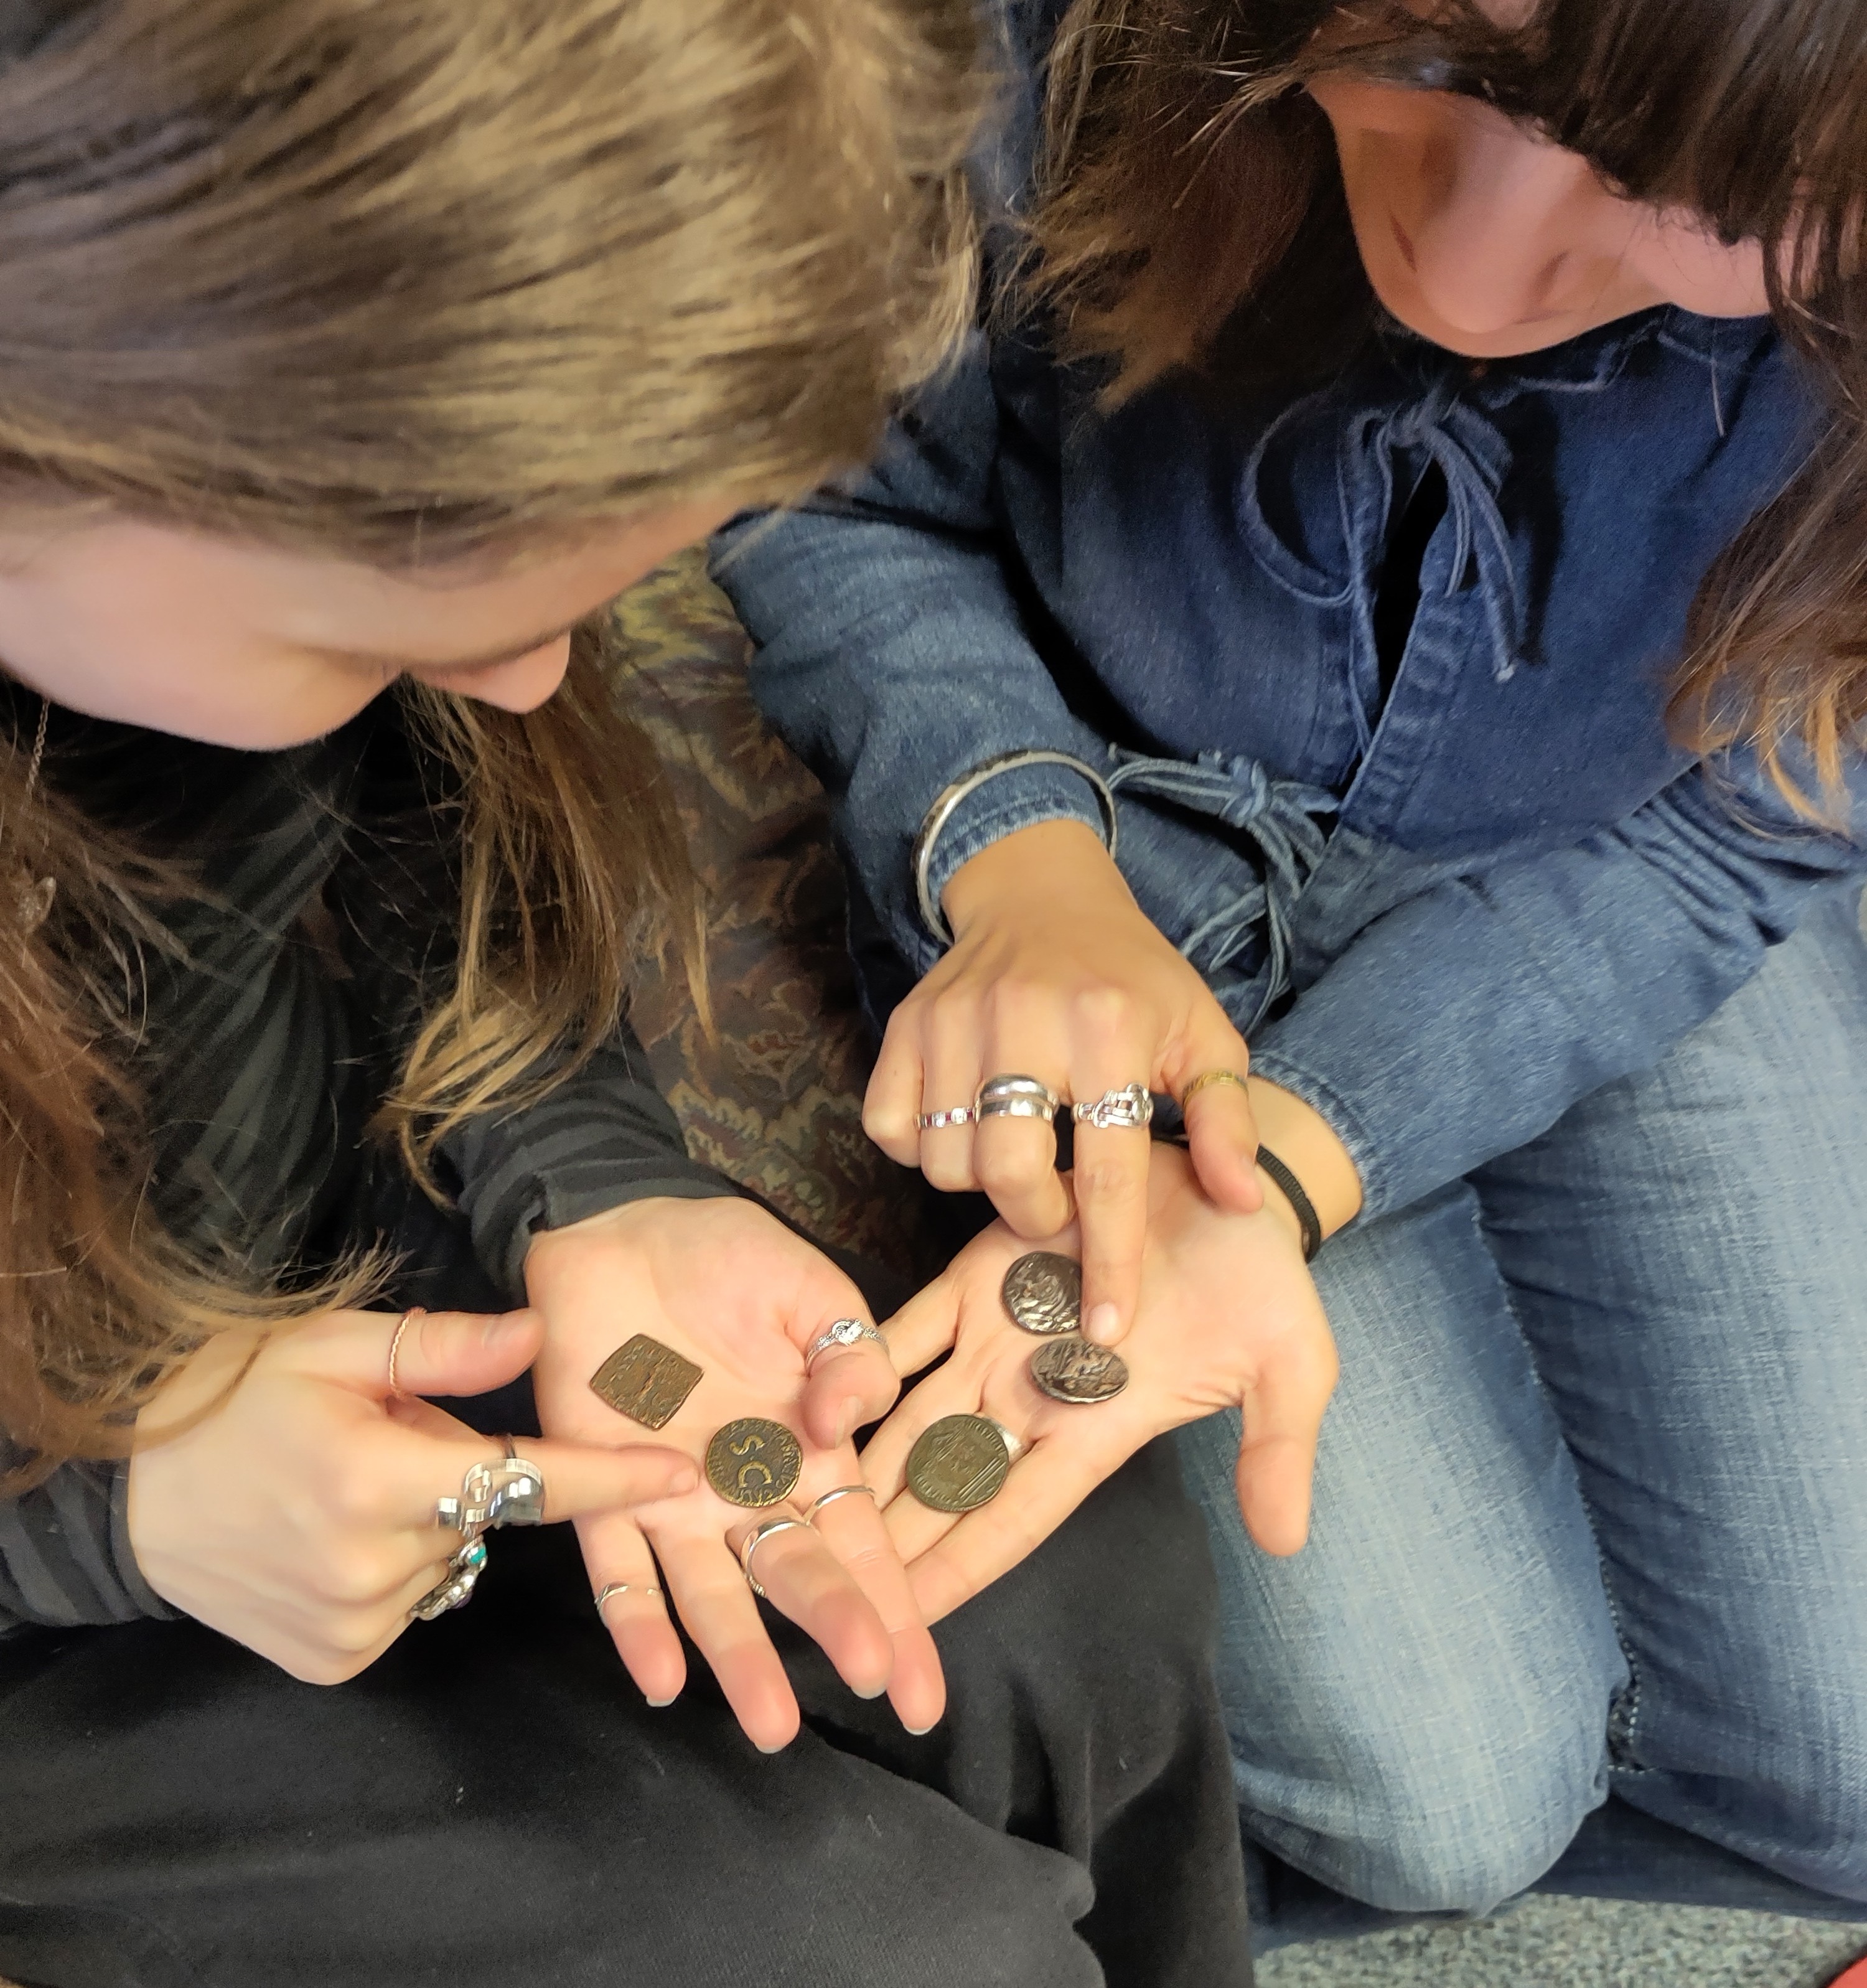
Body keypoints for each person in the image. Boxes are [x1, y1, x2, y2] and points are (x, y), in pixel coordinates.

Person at [0, 4, 1257, 1984]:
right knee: (886, 1952)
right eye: (402, 629)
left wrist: (587, 1181)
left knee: (1069, 1590)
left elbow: (419, 863)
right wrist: (116, 1519)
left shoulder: (213, 568)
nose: (533, 685)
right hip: (69, 1595)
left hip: (309, 1294)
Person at [714, 0, 1867, 1923]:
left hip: (1607, 857)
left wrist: (1308, 1154)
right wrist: (1019, 857)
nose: (1471, 276)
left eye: (1697, 198)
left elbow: (1748, 821)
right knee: (1450, 1800)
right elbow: (823, 491)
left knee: (1839, 1754)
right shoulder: (1024, 61)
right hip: (1111, 839)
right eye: (1451, 68)